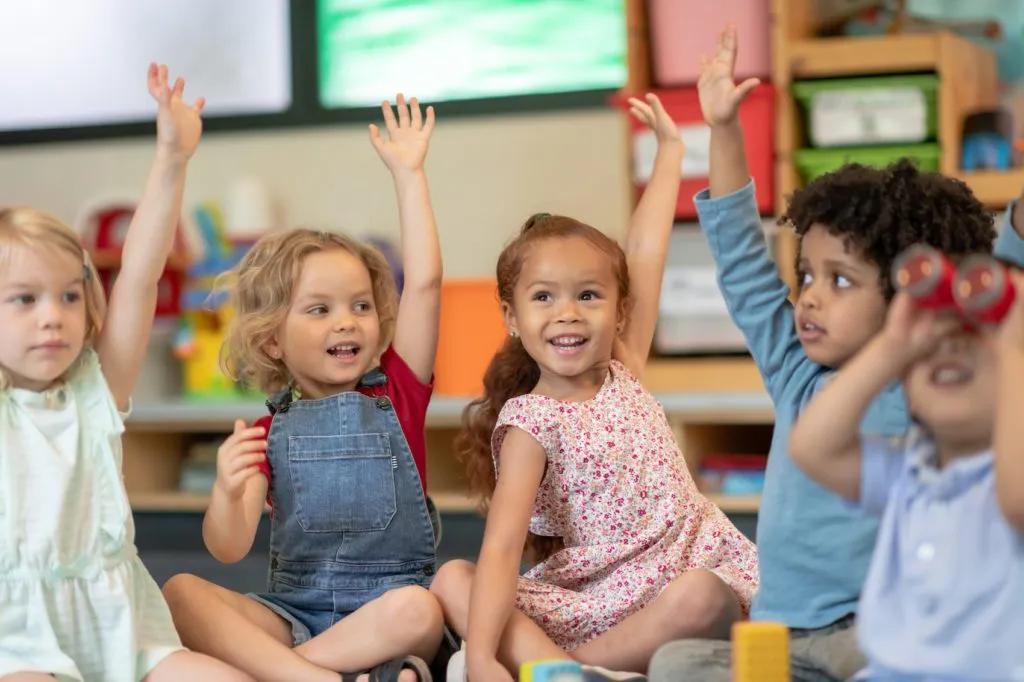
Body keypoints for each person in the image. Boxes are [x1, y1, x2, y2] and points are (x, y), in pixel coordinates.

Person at [648, 24, 1024, 682]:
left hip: (872, 631)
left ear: (909, 293)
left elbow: (1002, 295)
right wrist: (726, 130)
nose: (810, 299)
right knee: (677, 664)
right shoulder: (797, 370)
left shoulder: (935, 386)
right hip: (778, 634)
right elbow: (740, 258)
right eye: (806, 277)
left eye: (840, 280)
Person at [429, 94, 759, 682]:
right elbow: (502, 550)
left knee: (706, 596)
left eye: (588, 295)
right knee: (455, 578)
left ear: (620, 310)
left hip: (673, 583)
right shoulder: (530, 423)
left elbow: (647, 252)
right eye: (543, 297)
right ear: (511, 316)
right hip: (584, 601)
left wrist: (671, 153)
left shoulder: (624, 365)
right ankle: (563, 667)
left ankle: (570, 672)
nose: (568, 314)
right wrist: (479, 658)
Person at [162, 95, 445, 682]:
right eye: (319, 309)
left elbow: (425, 284)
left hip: (384, 611)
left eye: (360, 306)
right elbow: (228, 547)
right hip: (292, 614)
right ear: (273, 342)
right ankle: (328, 674)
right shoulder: (269, 430)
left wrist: (409, 174)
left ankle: (285, 674)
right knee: (182, 591)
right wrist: (225, 490)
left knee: (421, 608)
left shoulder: (399, 389)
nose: (347, 321)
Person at [0, 65, 250, 682]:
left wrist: (171, 158)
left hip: (125, 629)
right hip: (20, 639)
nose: (52, 318)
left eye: (67, 297)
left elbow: (139, 274)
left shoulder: (96, 387)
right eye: (24, 300)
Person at [787, 256, 1024, 680]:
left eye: (977, 340)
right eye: (931, 346)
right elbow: (812, 447)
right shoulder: (907, 474)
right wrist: (894, 343)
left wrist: (1015, 345)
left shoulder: (1007, 481)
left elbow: (1017, 499)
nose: (949, 348)